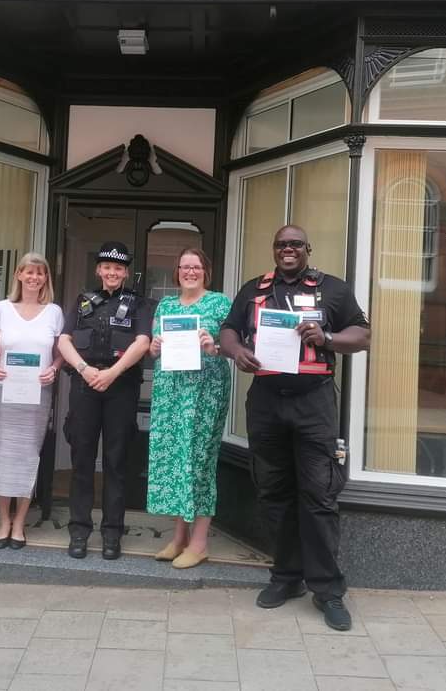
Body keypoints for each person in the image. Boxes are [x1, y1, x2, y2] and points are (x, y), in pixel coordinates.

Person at [219, 225, 370, 631]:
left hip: (313, 403)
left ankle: (328, 590)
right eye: (281, 244)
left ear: (307, 249)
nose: (288, 249)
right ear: (274, 249)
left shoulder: (332, 289)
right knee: (274, 493)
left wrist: (328, 336)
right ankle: (286, 577)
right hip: (267, 401)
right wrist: (236, 351)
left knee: (319, 495)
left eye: (295, 244)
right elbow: (228, 329)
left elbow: (363, 336)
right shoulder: (254, 289)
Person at [57, 241, 152, 560]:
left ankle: (112, 533)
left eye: (118, 268)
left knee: (116, 462)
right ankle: (79, 530)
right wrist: (84, 370)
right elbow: (64, 340)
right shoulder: (83, 300)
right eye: (107, 267)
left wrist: (112, 372)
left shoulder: (139, 304)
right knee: (82, 460)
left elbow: (142, 342)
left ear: (125, 273)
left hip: (121, 387)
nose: (112, 272)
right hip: (85, 386)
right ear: (99, 270)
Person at [146, 248, 232, 569]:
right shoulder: (166, 305)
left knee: (200, 461)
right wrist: (154, 347)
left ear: (205, 271)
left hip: (205, 392)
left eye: (196, 267)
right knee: (176, 461)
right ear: (177, 271)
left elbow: (233, 345)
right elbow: (155, 349)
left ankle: (199, 543)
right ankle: (180, 538)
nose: (190, 272)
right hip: (170, 392)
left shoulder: (220, 303)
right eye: (184, 267)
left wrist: (214, 346)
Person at [0, 252, 64, 550]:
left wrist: (54, 369)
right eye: (28, 272)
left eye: (39, 273)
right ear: (18, 274)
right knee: (2, 455)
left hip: (36, 395)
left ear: (46, 278)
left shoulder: (54, 312)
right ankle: (3, 521)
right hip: (5, 392)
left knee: (29, 456)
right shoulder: (2, 309)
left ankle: (19, 523)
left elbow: (59, 354)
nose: (34, 277)